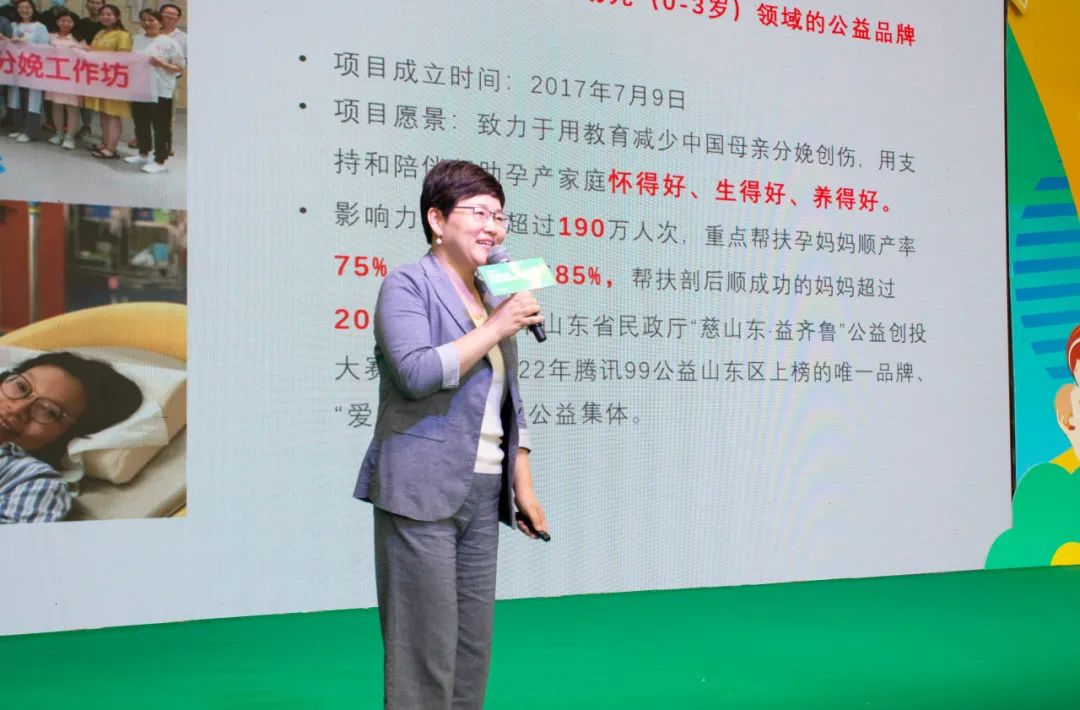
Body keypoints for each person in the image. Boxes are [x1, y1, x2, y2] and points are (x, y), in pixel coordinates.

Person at [353, 160, 549, 709]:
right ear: (437, 220)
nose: (493, 227)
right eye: (479, 213)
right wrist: (497, 326)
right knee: (425, 648)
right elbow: (415, 373)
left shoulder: (492, 292)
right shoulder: (407, 285)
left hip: (483, 490)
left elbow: (508, 395)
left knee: (470, 649)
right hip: (419, 488)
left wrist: (523, 484)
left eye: (500, 216)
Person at [0, 351, 143, 524]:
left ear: (65, 436)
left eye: (49, 411)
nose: (17, 409)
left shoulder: (35, 485)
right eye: (21, 387)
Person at [126, 8, 183, 173]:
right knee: (140, 122)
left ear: (160, 22)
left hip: (161, 90)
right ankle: (143, 153)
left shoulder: (169, 42)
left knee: (161, 126)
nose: (147, 23)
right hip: (139, 88)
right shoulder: (136, 39)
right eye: (144, 20)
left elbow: (179, 67)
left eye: (151, 20)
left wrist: (163, 64)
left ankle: (160, 161)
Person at [82, 3, 130, 159]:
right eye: (103, 14)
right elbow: (95, 51)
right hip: (99, 79)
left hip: (114, 79)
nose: (105, 17)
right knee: (103, 113)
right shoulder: (101, 32)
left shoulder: (123, 35)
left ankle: (111, 148)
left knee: (112, 114)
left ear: (117, 16)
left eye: (109, 14)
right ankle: (105, 143)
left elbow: (123, 58)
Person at [5, 0, 49, 143]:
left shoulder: (40, 27)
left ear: (33, 9)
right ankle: (19, 128)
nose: (24, 10)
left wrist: (24, 43)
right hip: (16, 69)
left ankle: (30, 132)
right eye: (21, 7)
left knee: (32, 99)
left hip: (33, 69)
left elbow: (44, 49)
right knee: (16, 98)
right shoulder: (13, 25)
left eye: (27, 7)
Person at [44, 7, 82, 149]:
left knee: (72, 107)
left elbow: (86, 57)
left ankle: (70, 136)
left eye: (69, 21)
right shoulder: (50, 37)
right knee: (56, 105)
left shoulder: (78, 39)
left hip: (72, 79)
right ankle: (58, 133)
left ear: (73, 23)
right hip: (54, 77)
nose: (65, 23)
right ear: (57, 21)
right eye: (63, 20)